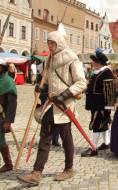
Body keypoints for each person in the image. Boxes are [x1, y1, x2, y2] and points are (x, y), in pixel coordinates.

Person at [18, 31, 86, 185]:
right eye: (48, 43)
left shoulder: (72, 59)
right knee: (45, 138)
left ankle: (69, 168)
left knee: (66, 138)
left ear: (59, 43)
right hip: (51, 104)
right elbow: (48, 79)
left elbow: (81, 83)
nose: (50, 46)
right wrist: (42, 87)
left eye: (52, 43)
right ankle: (36, 172)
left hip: (65, 105)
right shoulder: (50, 58)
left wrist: (64, 95)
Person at [81, 51, 114, 157]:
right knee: (103, 123)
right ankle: (106, 142)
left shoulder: (106, 73)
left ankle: (93, 147)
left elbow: (109, 90)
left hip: (101, 104)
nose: (92, 63)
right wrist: (87, 89)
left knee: (96, 124)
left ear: (98, 62)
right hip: (95, 103)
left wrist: (109, 105)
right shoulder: (98, 71)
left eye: (93, 61)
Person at [0, 57, 17, 172]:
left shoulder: (7, 81)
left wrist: (8, 121)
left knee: (0, 140)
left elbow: (12, 104)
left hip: (1, 116)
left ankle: (8, 163)